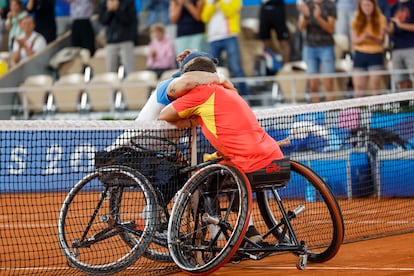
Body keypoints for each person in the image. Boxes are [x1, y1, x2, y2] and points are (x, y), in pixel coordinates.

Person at [159, 51, 286, 243]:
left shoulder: (199, 94)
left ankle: (216, 239)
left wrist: (192, 118)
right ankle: (251, 233)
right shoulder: (230, 92)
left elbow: (164, 115)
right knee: (223, 170)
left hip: (248, 166)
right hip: (277, 162)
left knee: (205, 185)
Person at [201, 0, 249, 97]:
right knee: (213, 70)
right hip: (213, 38)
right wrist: (213, 5)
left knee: (236, 68)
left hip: (229, 36)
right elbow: (204, 18)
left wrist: (220, 2)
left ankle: (245, 96)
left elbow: (230, 12)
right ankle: (218, 96)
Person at [297, 0, 337, 103]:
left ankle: (330, 113)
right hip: (310, 48)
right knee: (313, 84)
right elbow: (300, 27)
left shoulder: (330, 5)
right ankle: (316, 114)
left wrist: (318, 18)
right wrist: (306, 16)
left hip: (326, 47)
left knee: (328, 83)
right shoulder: (307, 5)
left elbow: (331, 29)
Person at [351, 0, 387, 97]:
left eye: (369, 5)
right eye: (364, 5)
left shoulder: (381, 18)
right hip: (359, 54)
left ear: (374, 5)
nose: (367, 7)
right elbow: (354, 40)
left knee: (375, 85)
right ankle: (357, 110)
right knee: (358, 87)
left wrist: (370, 37)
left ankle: (377, 110)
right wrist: (363, 38)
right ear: (360, 6)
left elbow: (381, 40)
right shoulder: (356, 18)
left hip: (375, 54)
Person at [98, 0, 138, 75]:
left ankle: (131, 86)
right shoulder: (104, 3)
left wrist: (117, 9)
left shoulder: (128, 2)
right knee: (111, 71)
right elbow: (103, 21)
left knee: (130, 70)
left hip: (126, 39)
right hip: (110, 41)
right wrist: (109, 10)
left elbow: (130, 20)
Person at [386, 0, 414, 91]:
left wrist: (400, 25)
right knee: (400, 80)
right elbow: (391, 29)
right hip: (396, 48)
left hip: (411, 47)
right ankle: (405, 105)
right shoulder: (393, 7)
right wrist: (386, 29)